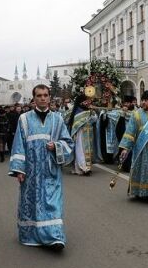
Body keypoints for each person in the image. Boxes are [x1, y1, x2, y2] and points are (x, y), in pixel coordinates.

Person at [9, 84, 74, 250]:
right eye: (39, 95)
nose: (43, 98)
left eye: (46, 95)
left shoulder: (58, 119)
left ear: (50, 97)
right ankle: (32, 235)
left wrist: (57, 146)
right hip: (30, 172)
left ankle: (55, 237)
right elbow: (18, 145)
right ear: (34, 98)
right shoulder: (24, 119)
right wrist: (19, 170)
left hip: (50, 170)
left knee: (53, 203)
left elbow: (68, 143)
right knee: (32, 203)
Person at [68, 95, 97, 175]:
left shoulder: (90, 111)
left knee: (88, 151)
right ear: (80, 102)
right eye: (85, 101)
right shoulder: (76, 111)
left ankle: (86, 167)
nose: (87, 103)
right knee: (80, 150)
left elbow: (95, 119)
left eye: (87, 101)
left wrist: (92, 113)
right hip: (80, 133)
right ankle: (84, 168)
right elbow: (73, 122)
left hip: (88, 133)